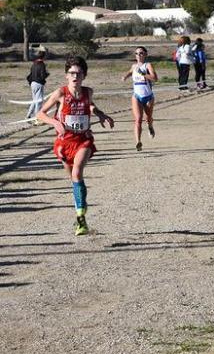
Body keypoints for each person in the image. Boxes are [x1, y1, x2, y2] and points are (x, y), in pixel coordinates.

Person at [37, 56, 115, 235]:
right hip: (65, 142)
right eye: (71, 73)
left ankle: (81, 218)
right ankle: (81, 207)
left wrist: (101, 114)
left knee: (77, 171)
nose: (75, 77)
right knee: (74, 179)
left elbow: (91, 106)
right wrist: (54, 122)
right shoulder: (60, 93)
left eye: (78, 74)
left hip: (83, 139)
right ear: (66, 75)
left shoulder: (88, 92)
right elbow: (39, 114)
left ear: (84, 76)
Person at [122, 46, 157, 151]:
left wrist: (143, 74)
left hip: (148, 96)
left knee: (148, 117)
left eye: (141, 53)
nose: (138, 55)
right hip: (136, 96)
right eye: (136, 53)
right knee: (138, 120)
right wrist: (125, 76)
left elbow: (155, 78)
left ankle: (150, 126)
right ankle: (138, 142)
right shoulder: (134, 66)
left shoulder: (148, 65)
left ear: (145, 54)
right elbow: (130, 71)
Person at [25, 50, 49, 119]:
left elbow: (31, 74)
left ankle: (28, 115)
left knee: (34, 100)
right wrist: (47, 74)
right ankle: (37, 118)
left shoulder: (34, 64)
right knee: (38, 102)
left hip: (32, 83)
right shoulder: (42, 64)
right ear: (43, 57)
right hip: (38, 84)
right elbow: (42, 76)